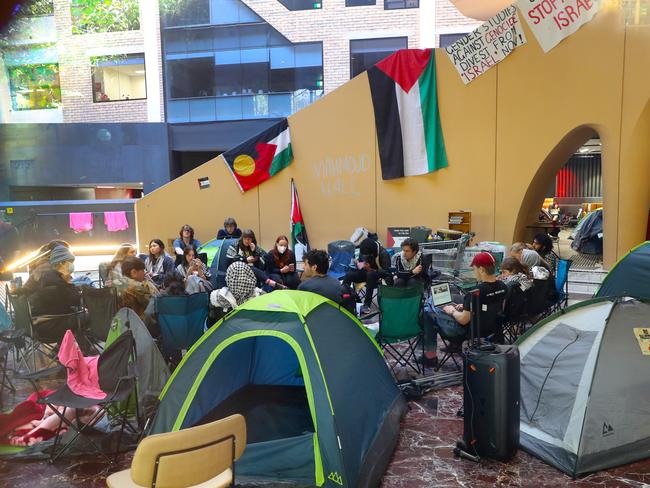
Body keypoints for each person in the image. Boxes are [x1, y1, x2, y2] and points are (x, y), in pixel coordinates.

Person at [421, 252, 508, 368]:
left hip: (465, 332)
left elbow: (463, 320)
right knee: (444, 303)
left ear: (481, 269)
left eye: (474, 268)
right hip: (489, 330)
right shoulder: (503, 286)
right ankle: (452, 347)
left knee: (427, 312)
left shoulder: (476, 292)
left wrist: (451, 311)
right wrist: (466, 306)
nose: (474, 271)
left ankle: (430, 356)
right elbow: (494, 307)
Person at [27, 245, 81, 317]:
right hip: (56, 319)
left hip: (46, 315)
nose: (72, 265)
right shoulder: (54, 279)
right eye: (70, 262)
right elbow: (75, 299)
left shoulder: (48, 276)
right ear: (61, 263)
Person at [342, 238, 393, 315]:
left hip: (379, 277)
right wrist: (358, 264)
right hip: (365, 273)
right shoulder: (364, 251)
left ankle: (367, 304)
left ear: (372, 253)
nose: (365, 256)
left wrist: (371, 269)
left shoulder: (383, 254)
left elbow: (387, 272)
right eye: (363, 255)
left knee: (370, 274)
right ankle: (343, 297)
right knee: (349, 274)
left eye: (367, 255)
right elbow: (361, 263)